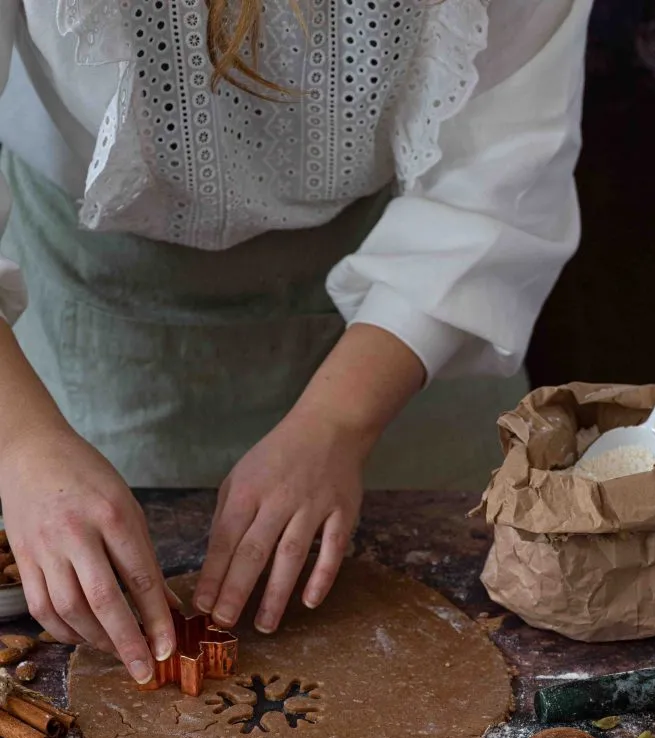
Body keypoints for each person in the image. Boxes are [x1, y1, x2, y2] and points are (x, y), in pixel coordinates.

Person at [0, 0, 593, 683]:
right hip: (96, 296)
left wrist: (339, 421)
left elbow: (499, 169)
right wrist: (21, 445)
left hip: (411, 292)